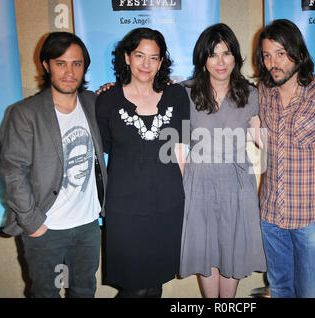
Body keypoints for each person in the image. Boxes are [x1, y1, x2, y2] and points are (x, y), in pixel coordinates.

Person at [0, 32, 107, 298]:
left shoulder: (94, 103)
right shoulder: (24, 113)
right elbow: (13, 172)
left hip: (87, 226)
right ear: (46, 66)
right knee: (44, 293)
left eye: (77, 64)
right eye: (61, 63)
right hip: (46, 228)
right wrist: (33, 223)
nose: (69, 72)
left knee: (84, 291)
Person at [255, 19, 315, 298]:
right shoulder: (263, 92)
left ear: (298, 53)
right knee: (279, 289)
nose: (273, 62)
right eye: (267, 55)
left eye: (281, 54)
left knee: (310, 292)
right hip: (272, 216)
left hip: (313, 218)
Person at [95, 28, 190, 298]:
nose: (146, 64)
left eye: (153, 57)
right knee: (134, 287)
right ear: (127, 57)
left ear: (161, 62)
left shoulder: (177, 96)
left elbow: (180, 150)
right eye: (139, 55)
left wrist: (176, 194)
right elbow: (103, 154)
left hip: (167, 205)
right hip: (125, 209)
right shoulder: (107, 99)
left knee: (155, 284)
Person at [178, 23, 267, 298]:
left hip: (236, 183)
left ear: (235, 57)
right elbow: (180, 146)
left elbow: (261, 138)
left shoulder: (250, 94)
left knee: (231, 251)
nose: (220, 62)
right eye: (213, 54)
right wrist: (182, 190)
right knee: (205, 251)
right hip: (197, 182)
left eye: (226, 53)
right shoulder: (186, 93)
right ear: (203, 59)